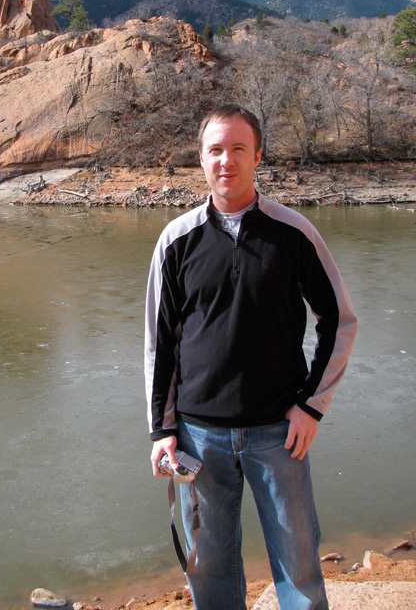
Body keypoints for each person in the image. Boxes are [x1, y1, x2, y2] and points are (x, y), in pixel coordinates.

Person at [144, 104, 358, 610]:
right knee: (209, 570)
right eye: (216, 150)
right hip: (198, 439)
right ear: (201, 159)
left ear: (258, 155)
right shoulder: (176, 240)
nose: (227, 160)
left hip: (279, 435)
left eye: (238, 148)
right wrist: (161, 430)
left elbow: (340, 321)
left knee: (299, 566)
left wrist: (311, 406)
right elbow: (160, 344)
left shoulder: (295, 233)